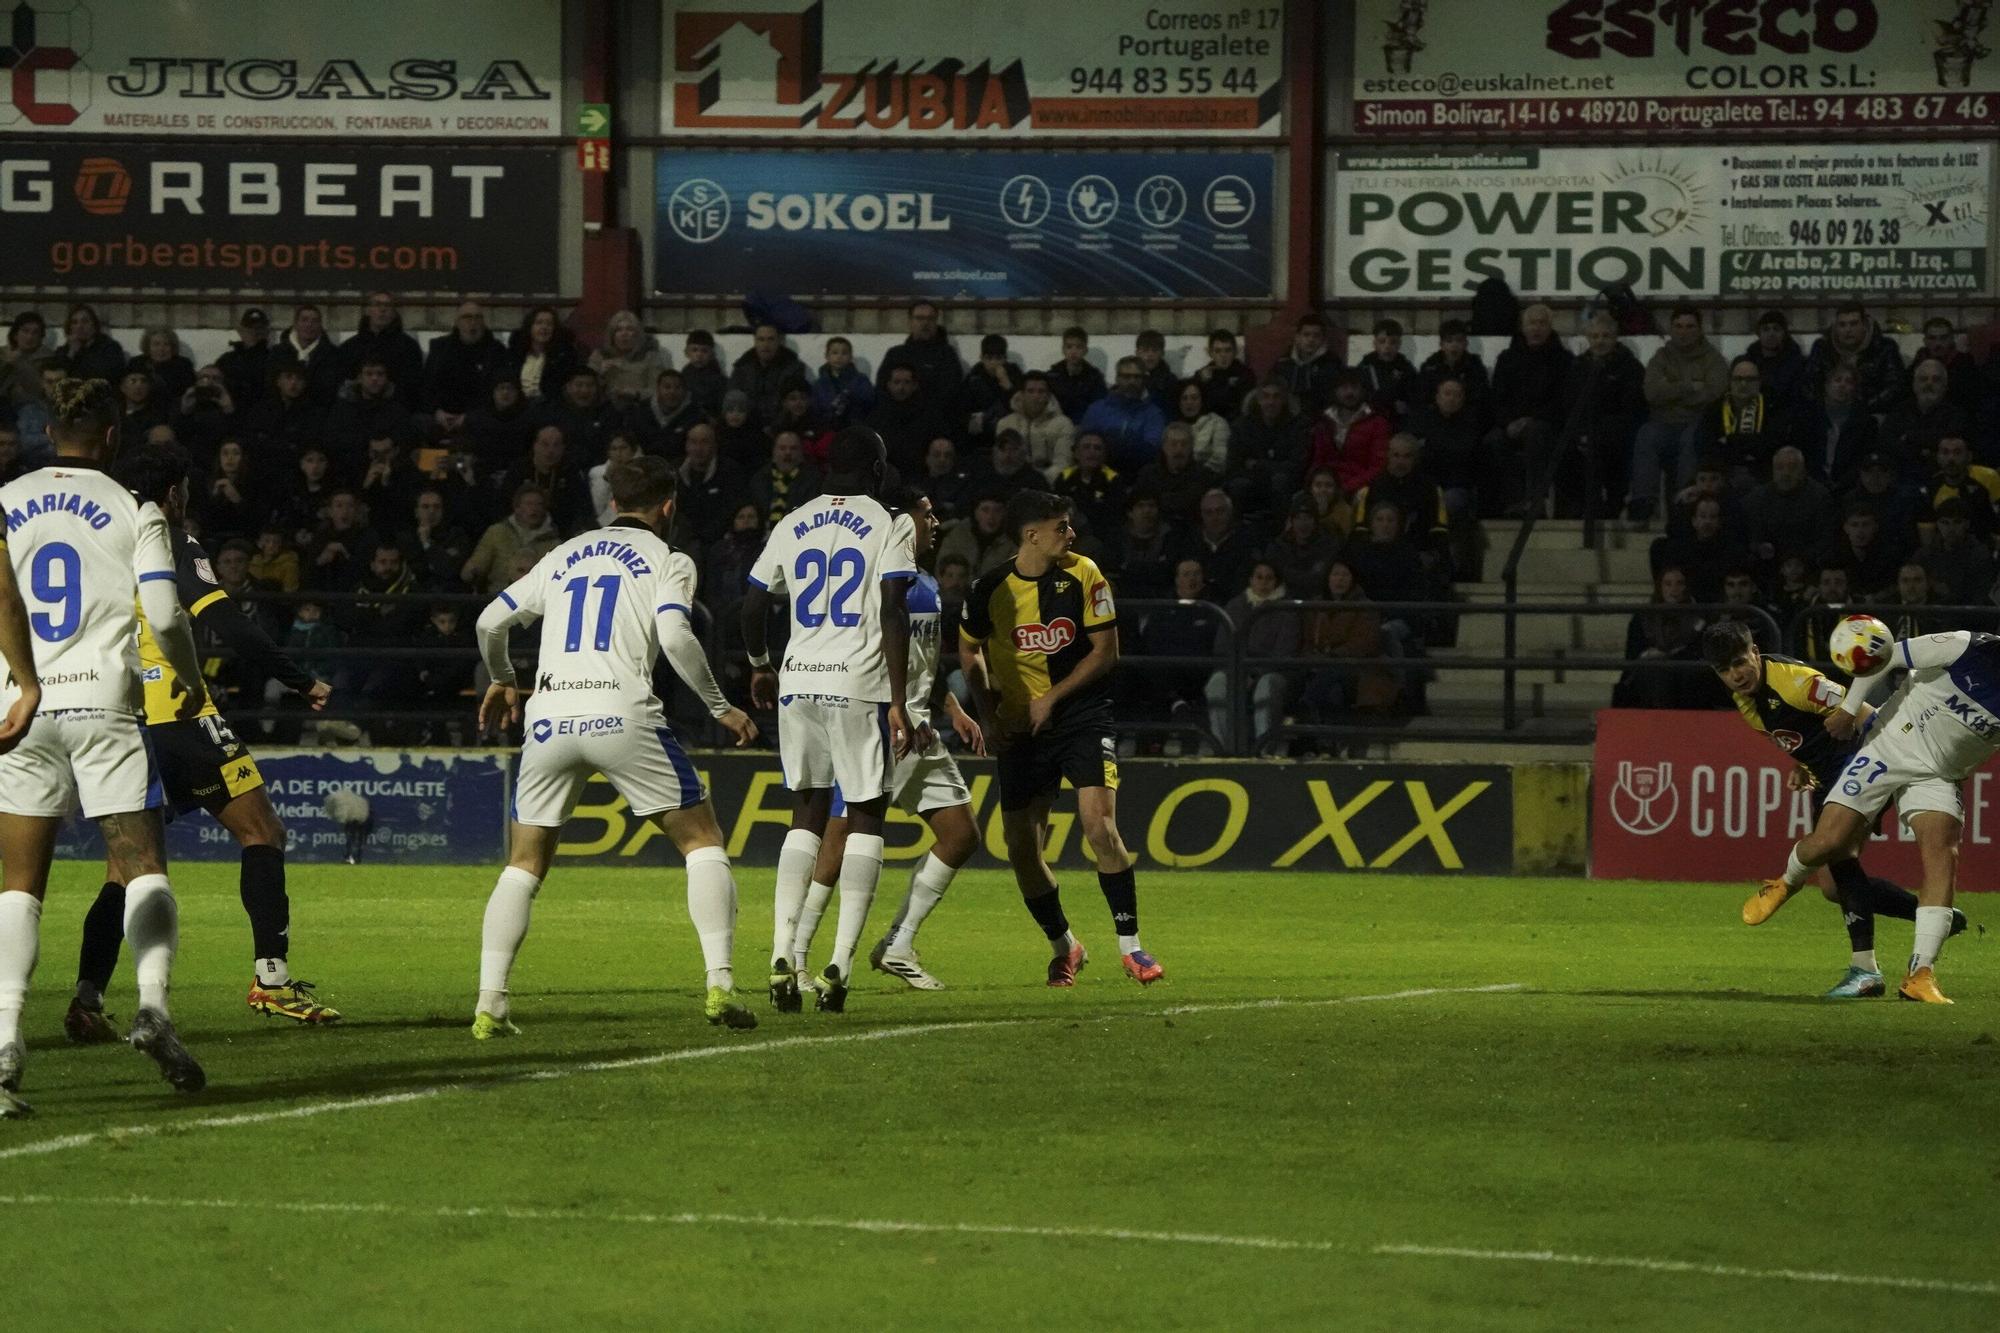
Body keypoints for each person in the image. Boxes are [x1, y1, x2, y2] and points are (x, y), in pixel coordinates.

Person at [471, 455, 761, 1036]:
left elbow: (487, 623)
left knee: (524, 864)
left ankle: (490, 1003)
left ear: (611, 503)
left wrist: (503, 677)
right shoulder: (669, 558)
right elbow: (676, 633)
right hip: (620, 712)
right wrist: (719, 706)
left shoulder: (563, 553)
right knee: (702, 841)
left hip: (550, 718)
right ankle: (720, 986)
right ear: (669, 506)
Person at [63, 440, 339, 1043]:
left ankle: (87, 997)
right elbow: (226, 620)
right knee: (262, 831)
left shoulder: (92, 544)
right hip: (178, 710)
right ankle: (271, 980)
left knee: (127, 867)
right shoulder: (167, 537)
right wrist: (299, 680)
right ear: (173, 493)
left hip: (109, 714)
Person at [0, 377, 207, 1113]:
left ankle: (5, 1042)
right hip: (103, 705)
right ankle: (152, 1006)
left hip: (20, 708)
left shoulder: (7, 499)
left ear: (48, 429)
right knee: (141, 862)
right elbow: (164, 610)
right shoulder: (134, 507)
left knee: (20, 883)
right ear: (113, 437)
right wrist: (187, 680)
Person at [739, 426, 916, 1014]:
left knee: (806, 814)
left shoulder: (792, 521)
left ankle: (780, 953)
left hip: (799, 681)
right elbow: (893, 606)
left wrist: (761, 664)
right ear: (875, 467)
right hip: (858, 684)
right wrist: (898, 697)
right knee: (865, 815)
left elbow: (753, 600)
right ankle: (838, 963)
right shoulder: (893, 523)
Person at [958, 490, 1164, 987]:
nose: (1070, 534)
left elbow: (1106, 651)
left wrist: (1053, 697)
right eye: (1062, 527)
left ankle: (1132, 948)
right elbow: (969, 650)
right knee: (1021, 849)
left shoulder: (1084, 573)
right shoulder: (989, 587)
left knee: (1099, 827)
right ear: (1032, 535)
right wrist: (988, 713)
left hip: (1082, 718)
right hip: (1021, 730)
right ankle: (1064, 947)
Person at [790, 492, 984, 991]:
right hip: (887, 727)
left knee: (961, 834)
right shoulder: (884, 582)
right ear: (901, 523)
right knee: (840, 837)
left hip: (921, 727)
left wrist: (951, 707)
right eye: (926, 514)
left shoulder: (926, 585)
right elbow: (874, 659)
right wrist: (893, 711)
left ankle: (897, 944)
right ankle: (797, 956)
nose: (935, 522)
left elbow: (919, 660)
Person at [1705, 620, 1947, 997]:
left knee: (1834, 849)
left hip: (1858, 767)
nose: (1736, 675)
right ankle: (1933, 916)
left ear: (1755, 652)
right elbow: (1796, 732)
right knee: (1833, 887)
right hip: (1826, 774)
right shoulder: (1746, 698)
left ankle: (1864, 970)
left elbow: (1866, 714)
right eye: (1725, 670)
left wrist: (1880, 769)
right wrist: (1801, 764)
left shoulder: (1793, 681)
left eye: (1740, 662)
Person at [1759, 625, 2000, 1002]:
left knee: (1943, 856)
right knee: (1829, 843)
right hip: (1887, 748)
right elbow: (1883, 655)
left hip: (1938, 775)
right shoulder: (1964, 646)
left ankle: (1920, 975)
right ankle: (1786, 881)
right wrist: (1849, 711)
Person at [1630, 306, 1728, 522]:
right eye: (1679, 326)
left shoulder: (1713, 359)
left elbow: (1714, 393)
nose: (1684, 332)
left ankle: (1686, 502)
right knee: (1646, 434)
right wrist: (1690, 386)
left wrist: (1671, 389)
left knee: (1691, 440)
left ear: (1700, 329)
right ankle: (1644, 501)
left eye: (1690, 326)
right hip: (1663, 425)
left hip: (1697, 424)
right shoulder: (1661, 357)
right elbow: (1652, 393)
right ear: (1672, 329)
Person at [1557, 314, 1646, 519]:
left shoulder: (1630, 367)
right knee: (1562, 450)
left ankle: (1608, 506)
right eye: (1595, 336)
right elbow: (1569, 404)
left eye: (1606, 336)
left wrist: (1596, 431)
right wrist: (1580, 433)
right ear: (1588, 338)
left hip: (1616, 431)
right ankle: (1572, 509)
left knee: (1607, 448)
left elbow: (1631, 408)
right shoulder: (1577, 366)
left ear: (1615, 338)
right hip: (1581, 431)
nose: (1600, 341)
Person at [1488, 303, 1573, 516]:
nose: (1536, 328)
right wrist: (1508, 423)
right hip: (1511, 424)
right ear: (1523, 327)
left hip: (1547, 424)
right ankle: (1509, 502)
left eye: (1542, 323)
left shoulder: (1563, 360)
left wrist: (1531, 419)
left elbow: (1563, 401)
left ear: (1550, 327)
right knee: (1493, 441)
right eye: (1532, 323)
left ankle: (1535, 501)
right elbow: (1497, 398)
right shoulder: (1507, 359)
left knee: (1537, 434)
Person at [1802, 300, 1906, 414]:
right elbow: (1809, 385)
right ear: (1836, 328)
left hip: (1872, 413)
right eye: (1842, 325)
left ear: (1864, 325)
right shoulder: (1822, 347)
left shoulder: (1884, 347)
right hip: (1827, 413)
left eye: (1854, 324)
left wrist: (1863, 409)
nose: (1848, 330)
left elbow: (1895, 387)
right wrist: (1826, 407)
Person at [423, 300, 507, 434]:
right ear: (457, 322)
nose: (473, 322)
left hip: (480, 415)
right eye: (467, 317)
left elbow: (497, 392)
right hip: (440, 414)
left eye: (478, 317)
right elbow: (427, 385)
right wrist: (436, 411)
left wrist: (469, 417)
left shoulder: (496, 351)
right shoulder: (439, 348)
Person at [462, 483, 560, 596]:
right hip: (497, 596)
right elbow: (476, 565)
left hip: (535, 601)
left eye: (539, 504)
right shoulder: (497, 533)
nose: (534, 509)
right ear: (517, 508)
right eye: (529, 504)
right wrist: (472, 570)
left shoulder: (554, 544)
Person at [1306, 370, 1391, 495]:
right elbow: (1318, 460)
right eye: (1344, 387)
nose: (1350, 392)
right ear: (1335, 391)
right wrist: (1311, 483)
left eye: (1354, 387)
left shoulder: (1377, 422)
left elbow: (1377, 467)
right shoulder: (1324, 421)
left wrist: (1346, 488)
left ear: (1362, 390)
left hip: (1360, 489)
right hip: (1325, 486)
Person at [1077, 357, 1168, 469]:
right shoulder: (1097, 409)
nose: (1132, 381)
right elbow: (1083, 446)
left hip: (1135, 477)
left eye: (1137, 377)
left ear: (1144, 380)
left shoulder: (1154, 414)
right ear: (1117, 378)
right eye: (1126, 376)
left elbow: (1151, 451)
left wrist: (1112, 443)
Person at [876, 300, 963, 413]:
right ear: (910, 322)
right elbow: (882, 388)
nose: (925, 323)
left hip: (934, 419)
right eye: (919, 318)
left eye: (930, 318)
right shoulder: (895, 354)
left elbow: (951, 392)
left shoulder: (947, 354)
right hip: (896, 416)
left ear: (936, 322)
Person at [1799, 363, 1878, 486]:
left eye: (1849, 382)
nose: (1842, 385)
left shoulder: (1866, 423)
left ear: (1855, 389)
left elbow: (1861, 461)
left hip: (1849, 486)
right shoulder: (1808, 416)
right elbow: (1803, 453)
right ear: (1827, 385)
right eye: (1837, 380)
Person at [342, 293, 424, 408]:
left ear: (394, 313)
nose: (383, 309)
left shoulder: (409, 346)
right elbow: (344, 382)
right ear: (368, 310)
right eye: (377, 304)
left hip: (397, 411)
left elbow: (414, 384)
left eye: (388, 305)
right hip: (356, 411)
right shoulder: (350, 347)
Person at [997, 370, 1076, 480]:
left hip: (1049, 484)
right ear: (1022, 394)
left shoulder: (1063, 424)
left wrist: (1038, 482)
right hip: (1013, 482)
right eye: (1030, 391)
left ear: (1048, 395)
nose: (1036, 396)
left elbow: (1063, 463)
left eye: (1041, 391)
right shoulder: (1005, 424)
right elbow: (1002, 462)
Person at [728, 322, 809, 427]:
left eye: (770, 339)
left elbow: (793, 404)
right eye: (761, 339)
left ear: (779, 341)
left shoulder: (793, 367)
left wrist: (774, 428)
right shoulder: (742, 367)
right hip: (747, 427)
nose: (765, 345)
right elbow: (734, 400)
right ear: (755, 342)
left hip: (783, 428)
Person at [272, 304, 345, 407]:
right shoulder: (278, 352)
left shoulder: (334, 355)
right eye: (304, 320)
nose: (309, 325)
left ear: (320, 325)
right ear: (295, 324)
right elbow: (270, 386)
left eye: (314, 321)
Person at [588, 310, 665, 406]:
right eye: (618, 330)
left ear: (637, 334)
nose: (624, 334)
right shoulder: (599, 356)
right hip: (606, 409)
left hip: (641, 408)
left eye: (629, 329)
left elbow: (658, 390)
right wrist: (599, 374)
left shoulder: (650, 356)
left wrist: (636, 394)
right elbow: (585, 389)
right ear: (612, 335)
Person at [1271, 311, 1341, 413]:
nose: (1311, 340)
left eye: (1316, 336)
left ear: (1323, 339)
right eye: (1306, 335)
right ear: (1297, 337)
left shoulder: (1332, 364)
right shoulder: (1283, 363)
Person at [509, 305, 581, 403]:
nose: (544, 327)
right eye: (539, 323)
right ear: (530, 327)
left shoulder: (564, 356)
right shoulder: (515, 354)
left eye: (549, 324)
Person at [1739, 310, 1808, 410]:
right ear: (1759, 333)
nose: (1771, 334)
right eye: (1766, 329)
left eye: (1776, 329)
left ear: (1784, 333)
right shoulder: (1747, 362)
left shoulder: (1798, 364)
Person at [636, 368, 709, 459]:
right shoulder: (641, 411)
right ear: (658, 389)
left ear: (685, 390)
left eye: (678, 387)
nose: (672, 392)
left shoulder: (696, 415)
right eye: (667, 387)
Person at [809, 335, 875, 432]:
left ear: (850, 357)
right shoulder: (819, 384)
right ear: (827, 356)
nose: (839, 357)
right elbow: (815, 409)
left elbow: (869, 403)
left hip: (855, 429)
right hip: (827, 431)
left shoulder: (860, 380)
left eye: (844, 353)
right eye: (835, 353)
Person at [1355, 317, 1417, 419]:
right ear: (1375, 344)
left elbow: (1415, 397)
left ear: (1399, 344)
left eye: (1393, 342)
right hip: (1370, 420)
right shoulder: (1364, 368)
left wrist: (1407, 407)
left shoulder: (1407, 369)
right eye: (1382, 341)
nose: (1387, 346)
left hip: (1398, 422)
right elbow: (1358, 399)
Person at [216, 308, 275, 411]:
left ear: (267, 331)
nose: (254, 332)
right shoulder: (226, 360)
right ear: (240, 331)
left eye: (259, 328)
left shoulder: (274, 358)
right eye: (249, 328)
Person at [1046, 326, 1107, 422]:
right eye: (1069, 347)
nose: (1073, 352)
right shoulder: (1052, 376)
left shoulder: (1095, 377)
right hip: (1056, 424)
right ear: (1063, 350)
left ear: (1085, 350)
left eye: (1079, 347)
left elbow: (1099, 407)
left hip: (1085, 425)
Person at [1171, 378, 1230, 474]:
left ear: (1202, 400)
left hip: (1206, 479)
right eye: (1184, 398)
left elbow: (1221, 459)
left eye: (1194, 398)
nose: (1189, 402)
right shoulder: (1173, 427)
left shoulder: (1217, 423)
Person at [1193, 328, 1255, 418]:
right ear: (1210, 353)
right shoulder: (1202, 375)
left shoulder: (1245, 374)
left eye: (1227, 350)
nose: (1223, 355)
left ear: (1235, 352)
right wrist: (1201, 382)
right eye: (1218, 351)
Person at [679, 330, 727, 415]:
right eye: (694, 350)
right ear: (687, 353)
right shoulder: (681, 379)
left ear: (712, 354)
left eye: (704, 351)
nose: (699, 354)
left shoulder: (721, 381)